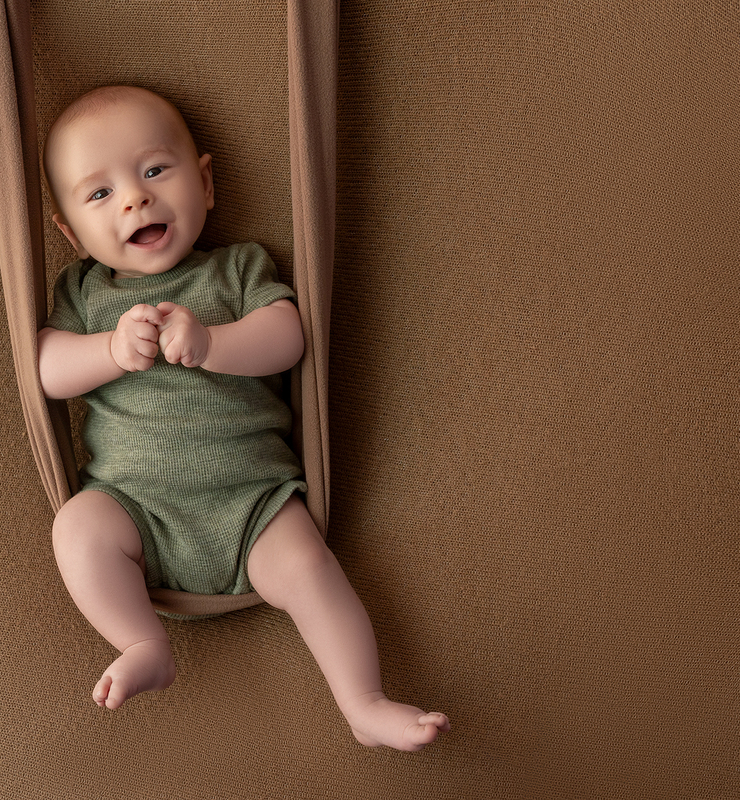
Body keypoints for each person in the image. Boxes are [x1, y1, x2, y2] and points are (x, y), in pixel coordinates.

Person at [37, 85, 450, 751]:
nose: (136, 199)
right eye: (100, 194)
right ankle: (144, 641)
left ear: (203, 181)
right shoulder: (84, 295)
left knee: (311, 570)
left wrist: (213, 344)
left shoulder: (237, 269)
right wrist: (112, 349)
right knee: (76, 528)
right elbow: (48, 370)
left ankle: (362, 701)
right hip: (136, 508)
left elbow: (287, 337)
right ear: (69, 233)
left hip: (252, 506)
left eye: (153, 171)